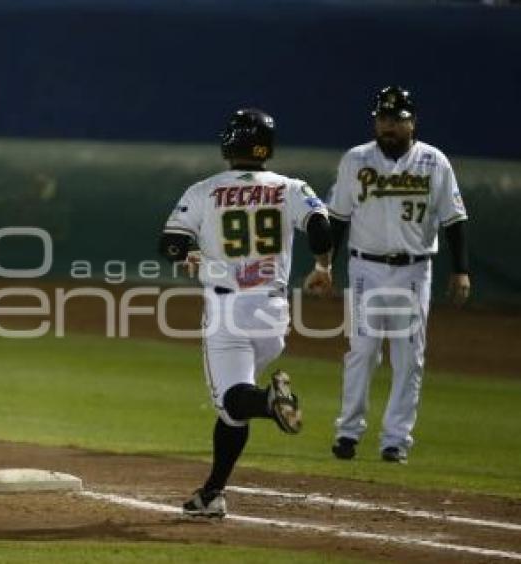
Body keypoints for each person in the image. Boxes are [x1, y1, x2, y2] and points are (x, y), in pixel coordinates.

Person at [159, 108, 333, 517]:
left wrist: (189, 252)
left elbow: (168, 244)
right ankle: (212, 494)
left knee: (234, 401)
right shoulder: (291, 187)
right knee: (235, 412)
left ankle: (272, 398)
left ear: (230, 142)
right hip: (274, 312)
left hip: (228, 308)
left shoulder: (204, 190)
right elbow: (322, 227)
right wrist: (323, 265)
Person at [327, 85, 470, 464]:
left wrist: (461, 270)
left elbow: (453, 220)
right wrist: (324, 265)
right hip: (365, 267)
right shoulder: (355, 160)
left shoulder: (434, 162)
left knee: (409, 357)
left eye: (396, 119)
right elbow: (337, 219)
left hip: (414, 269)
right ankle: (347, 432)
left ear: (412, 122)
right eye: (383, 118)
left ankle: (395, 440)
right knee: (363, 351)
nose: (388, 125)